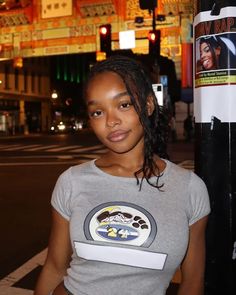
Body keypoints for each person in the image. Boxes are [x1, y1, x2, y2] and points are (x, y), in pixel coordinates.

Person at [34, 55, 210, 295]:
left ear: (148, 105)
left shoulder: (190, 188)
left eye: (124, 104)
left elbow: (192, 283)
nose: (111, 121)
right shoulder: (72, 182)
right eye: (97, 112)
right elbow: (54, 268)